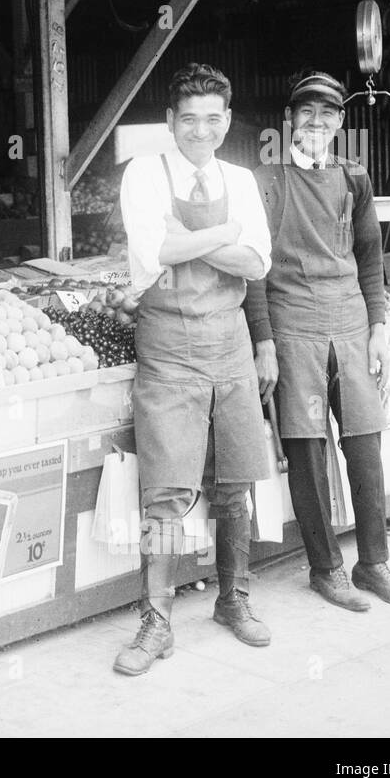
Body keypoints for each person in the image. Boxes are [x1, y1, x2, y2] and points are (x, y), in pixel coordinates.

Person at [114, 63, 274, 676]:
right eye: (188, 120)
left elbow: (257, 262)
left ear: (226, 122)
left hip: (230, 343)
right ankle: (157, 622)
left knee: (234, 482)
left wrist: (197, 235)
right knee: (165, 494)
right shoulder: (143, 174)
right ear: (170, 123)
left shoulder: (240, 178)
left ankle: (234, 600)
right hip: (169, 345)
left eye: (213, 119)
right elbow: (156, 251)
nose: (200, 131)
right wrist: (224, 233)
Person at [246, 70, 390, 611]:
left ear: (341, 122)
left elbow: (371, 259)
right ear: (290, 120)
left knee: (365, 445)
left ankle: (374, 564)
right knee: (306, 450)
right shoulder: (265, 180)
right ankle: (326, 568)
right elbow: (253, 271)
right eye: (306, 112)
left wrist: (378, 327)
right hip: (293, 324)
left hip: (348, 324)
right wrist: (265, 342)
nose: (316, 121)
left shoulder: (354, 179)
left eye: (327, 113)